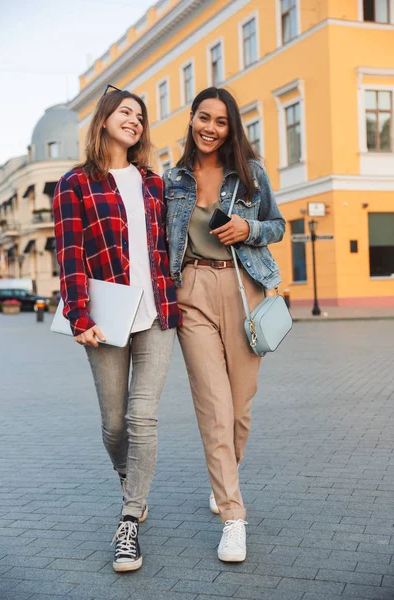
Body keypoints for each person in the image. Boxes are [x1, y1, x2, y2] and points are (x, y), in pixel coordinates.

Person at [53, 86, 180, 572]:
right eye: (126, 112)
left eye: (141, 116)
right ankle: (131, 478)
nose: (135, 120)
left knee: (142, 418)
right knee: (114, 423)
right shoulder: (76, 183)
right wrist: (78, 316)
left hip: (158, 313)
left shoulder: (153, 183)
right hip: (106, 316)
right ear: (104, 120)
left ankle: (129, 518)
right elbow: (69, 253)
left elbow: (171, 243)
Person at [164, 87, 285, 563]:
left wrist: (248, 229)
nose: (210, 128)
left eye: (220, 121)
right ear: (191, 120)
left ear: (232, 127)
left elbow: (276, 224)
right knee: (214, 407)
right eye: (203, 118)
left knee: (239, 408)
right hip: (191, 293)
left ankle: (224, 475)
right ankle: (234, 516)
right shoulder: (173, 179)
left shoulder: (251, 173)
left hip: (243, 289)